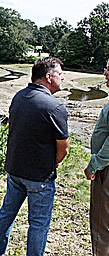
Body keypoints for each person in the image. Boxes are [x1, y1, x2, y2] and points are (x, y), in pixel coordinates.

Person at [0, 57, 70, 256]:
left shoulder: (19, 96)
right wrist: (54, 164)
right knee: (38, 225)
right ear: (49, 77)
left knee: (6, 214)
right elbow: (64, 148)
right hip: (39, 178)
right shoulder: (54, 107)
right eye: (60, 74)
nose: (63, 78)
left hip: (15, 171)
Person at [84, 60, 109, 255]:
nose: (105, 73)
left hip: (106, 169)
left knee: (102, 224)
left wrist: (94, 165)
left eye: (108, 70)